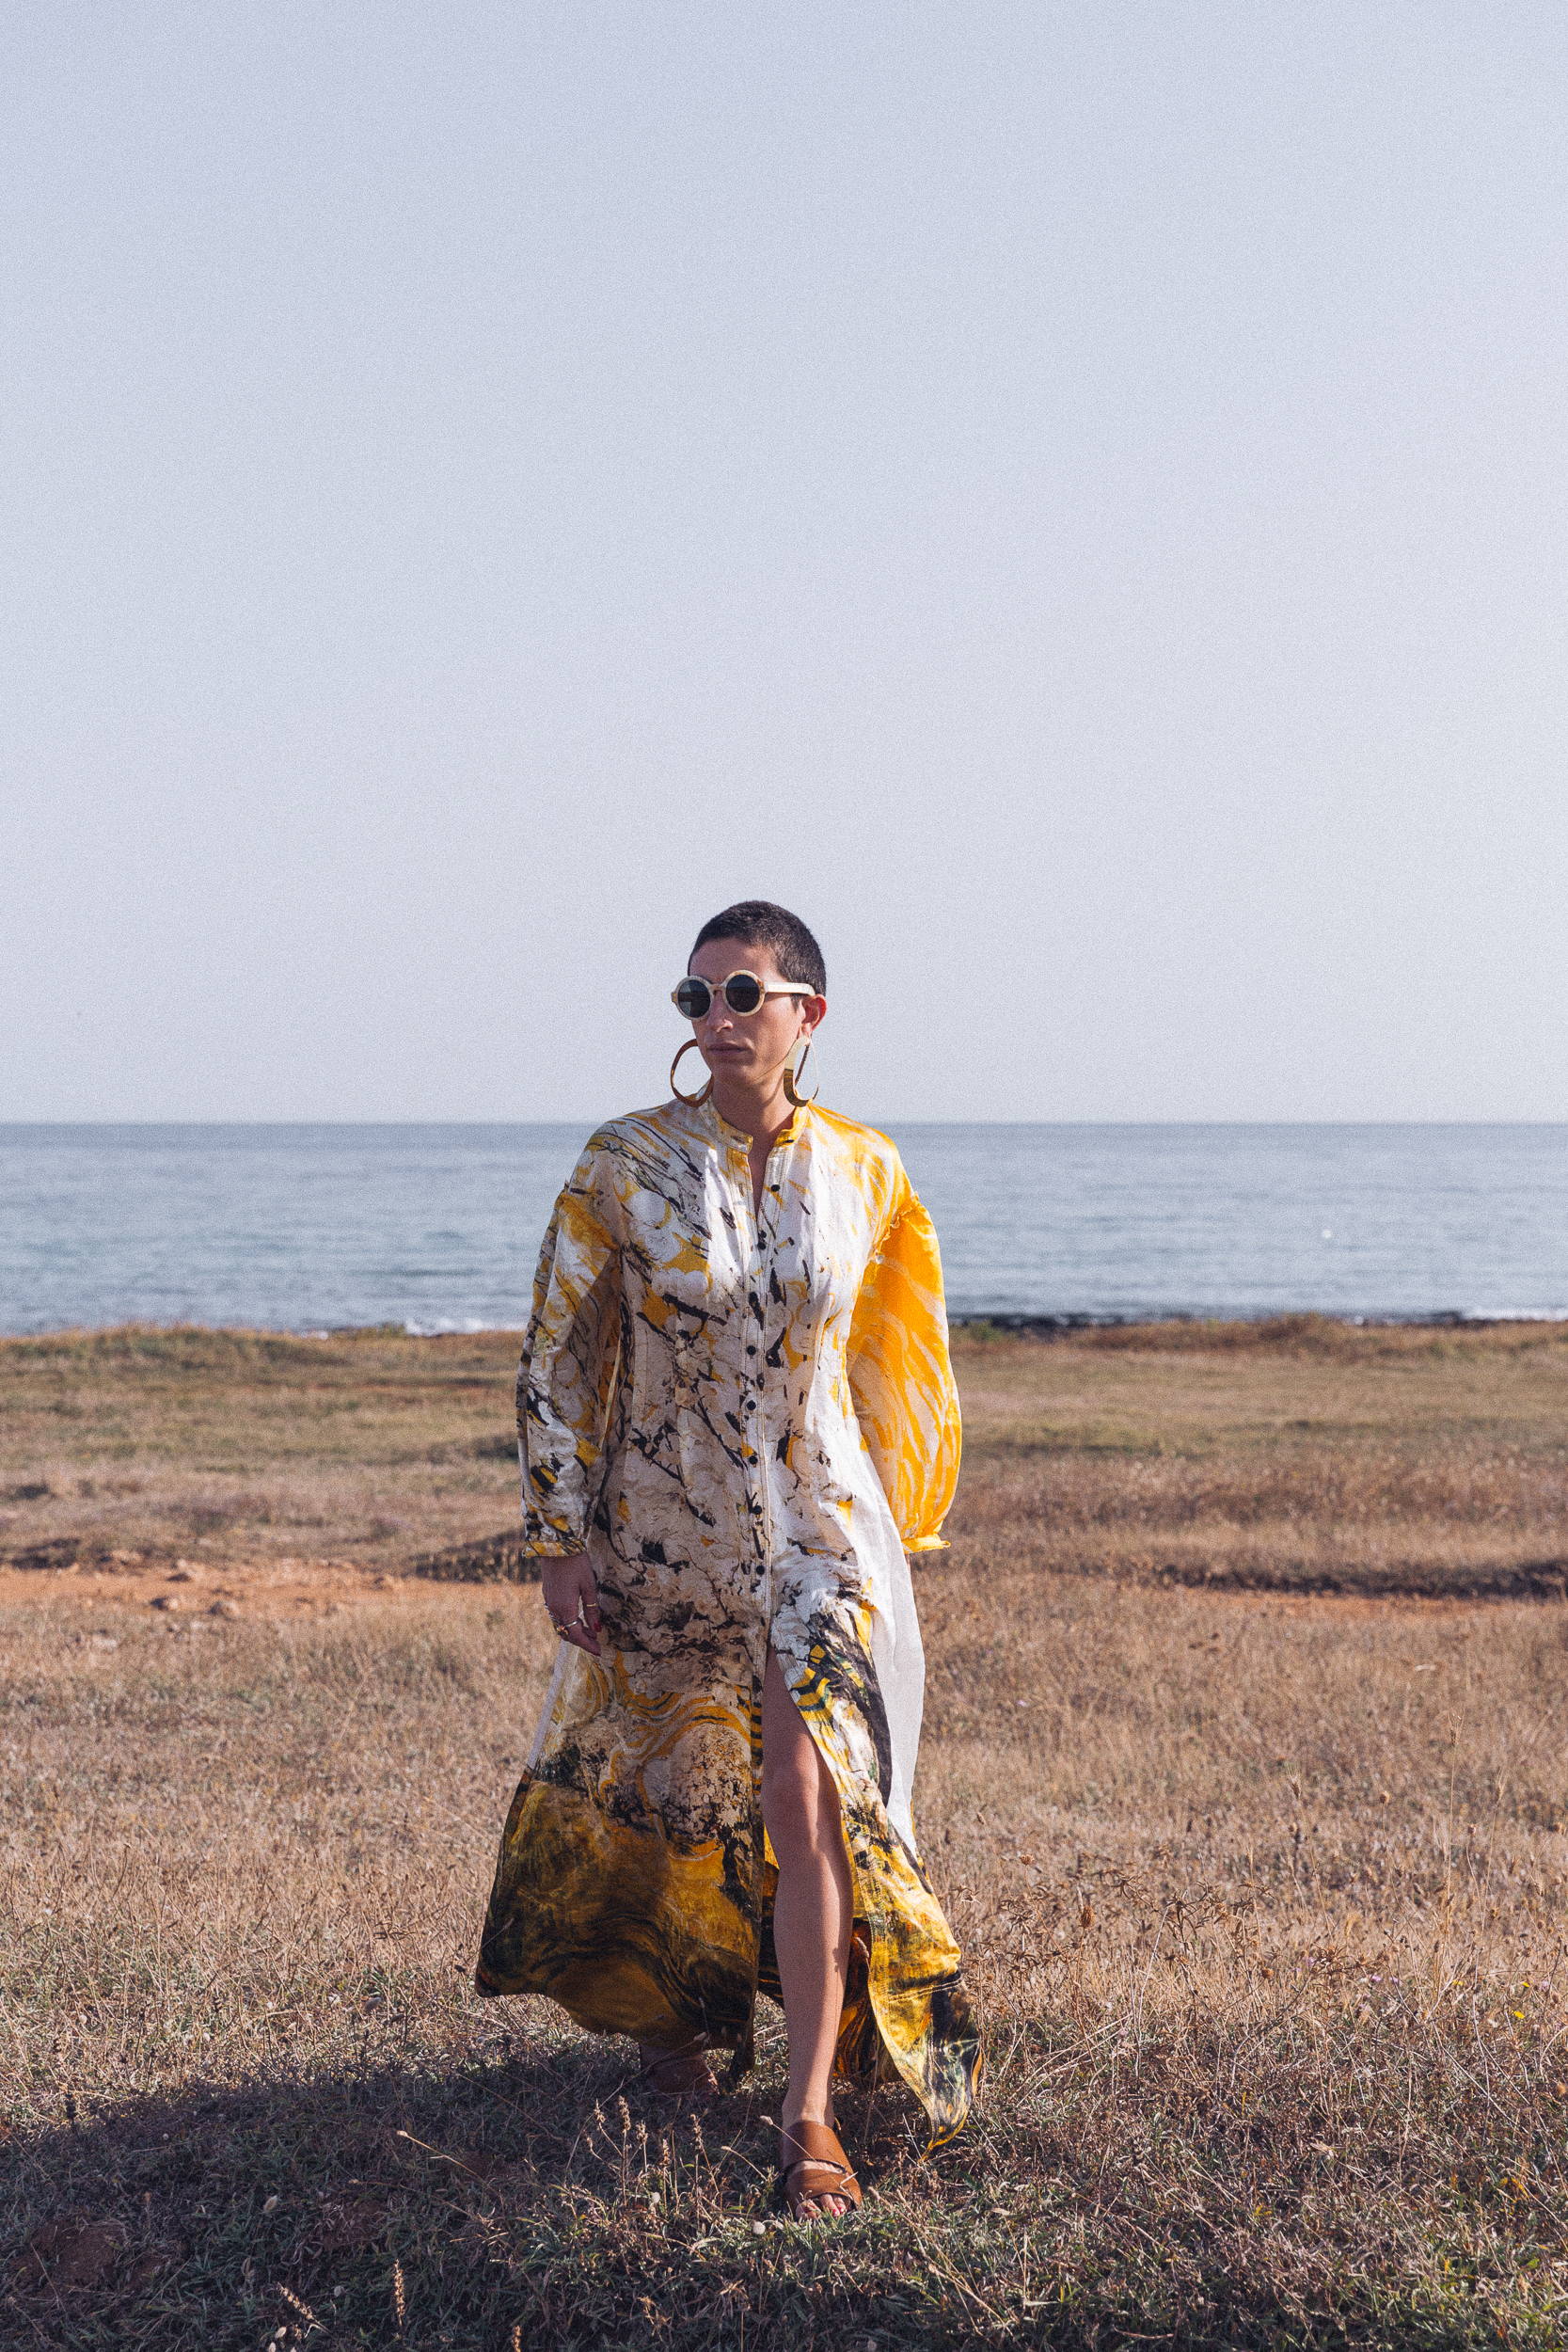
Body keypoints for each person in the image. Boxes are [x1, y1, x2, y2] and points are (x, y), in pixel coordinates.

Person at [475, 899, 978, 2221]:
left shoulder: (868, 1169)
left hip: (821, 1535)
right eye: (696, 998)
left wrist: (897, 1523)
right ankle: (674, 2025)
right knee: (672, 1783)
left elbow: (902, 1349)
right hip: (663, 1526)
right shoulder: (622, 1164)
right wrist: (558, 1535)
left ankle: (808, 2114)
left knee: (807, 1799)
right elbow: (558, 1355)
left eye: (744, 993)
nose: (717, 1020)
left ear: (809, 1013)